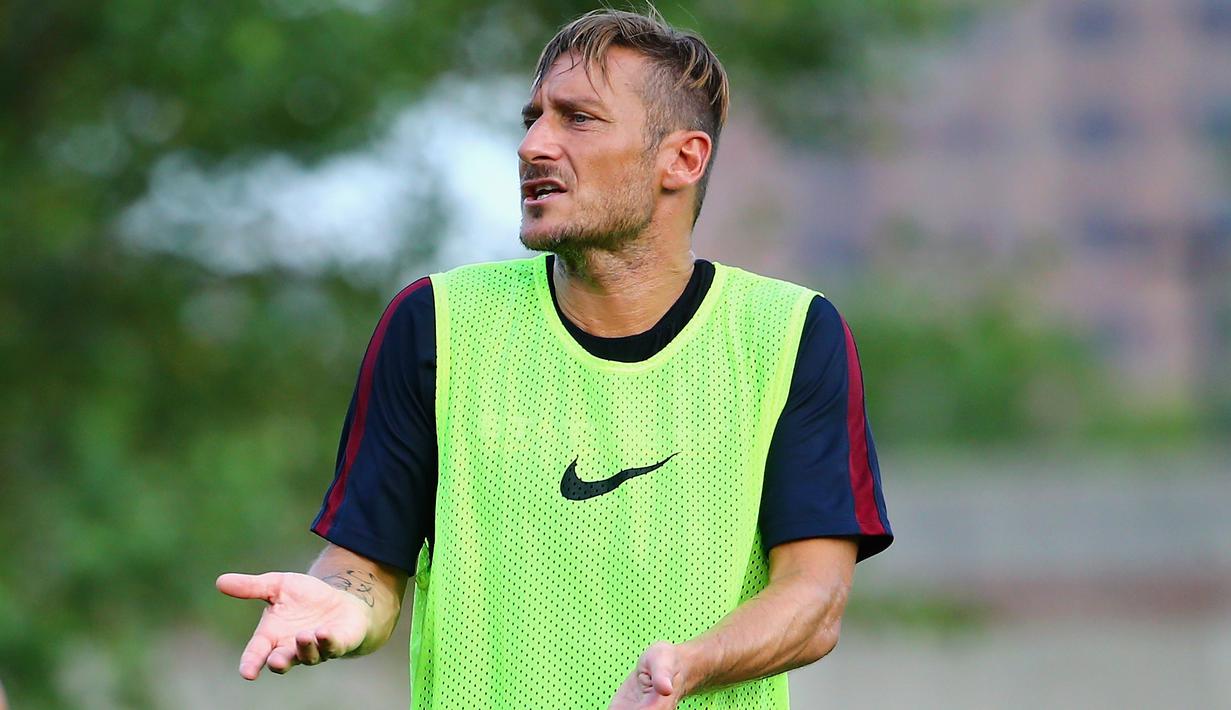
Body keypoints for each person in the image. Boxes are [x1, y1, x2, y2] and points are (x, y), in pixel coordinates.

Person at [217, 8, 891, 709]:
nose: (533, 145)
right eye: (532, 118)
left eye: (578, 119)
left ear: (682, 160)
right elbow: (366, 570)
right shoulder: (436, 324)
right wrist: (342, 607)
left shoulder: (787, 334)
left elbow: (813, 599)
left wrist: (688, 665)